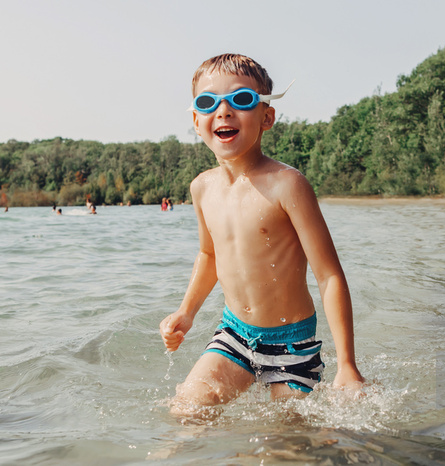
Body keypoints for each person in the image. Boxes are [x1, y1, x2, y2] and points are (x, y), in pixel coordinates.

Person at [160, 54, 364, 415]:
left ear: (267, 116)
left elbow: (329, 274)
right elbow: (209, 256)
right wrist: (187, 311)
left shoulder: (287, 185)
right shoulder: (202, 188)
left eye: (241, 100)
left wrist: (347, 364)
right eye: (208, 102)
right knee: (186, 412)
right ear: (196, 120)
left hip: (292, 342)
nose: (223, 111)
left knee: (284, 441)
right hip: (234, 335)